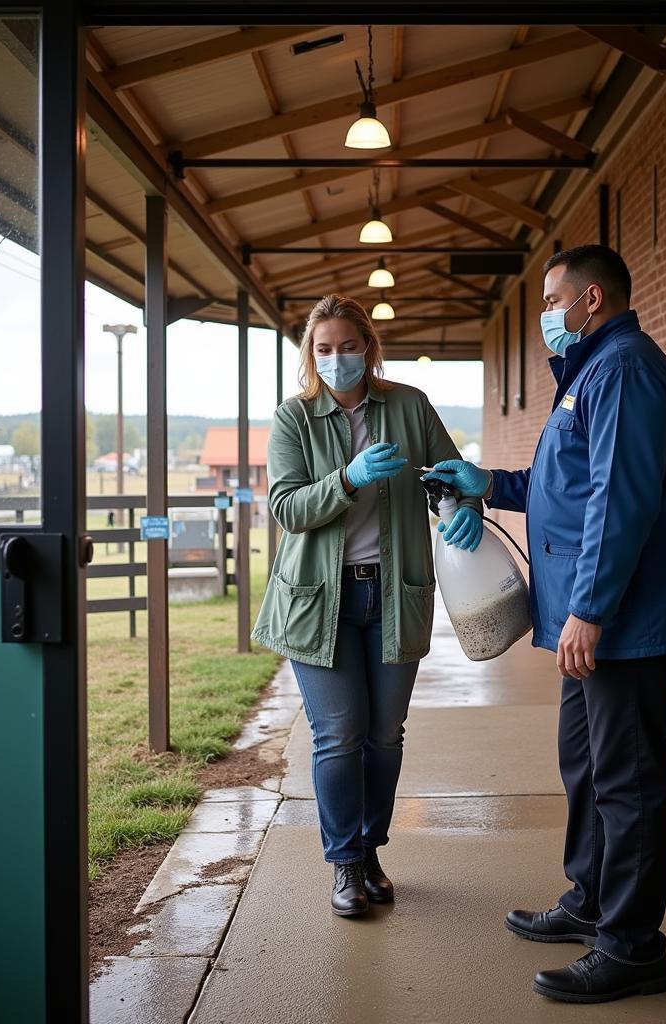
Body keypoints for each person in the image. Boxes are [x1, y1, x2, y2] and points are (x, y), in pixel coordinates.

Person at [424, 245, 666, 1004]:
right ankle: (591, 901)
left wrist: (590, 610)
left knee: (625, 780)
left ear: (591, 299)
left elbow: (618, 505)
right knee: (585, 766)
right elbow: (566, 487)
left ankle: (630, 948)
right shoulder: (591, 372)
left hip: (622, 620)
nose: (543, 320)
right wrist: (488, 482)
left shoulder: (621, 369)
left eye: (551, 302)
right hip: (592, 617)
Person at [252, 294, 483, 917]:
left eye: (348, 346)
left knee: (384, 735)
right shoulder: (292, 419)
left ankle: (371, 849)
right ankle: (344, 865)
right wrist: (348, 479)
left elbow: (450, 476)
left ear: (368, 348)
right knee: (338, 735)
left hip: (392, 591)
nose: (337, 359)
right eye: (323, 349)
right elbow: (286, 510)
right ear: (310, 354)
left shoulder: (408, 405)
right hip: (318, 599)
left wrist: (462, 506)